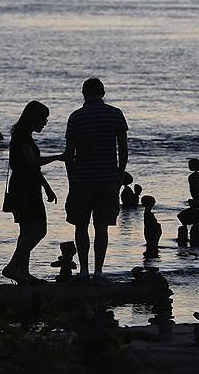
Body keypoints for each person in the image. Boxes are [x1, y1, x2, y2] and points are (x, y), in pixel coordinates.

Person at [64, 78, 128, 283]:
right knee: (102, 227)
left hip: (81, 179)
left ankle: (83, 271)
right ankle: (99, 272)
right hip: (108, 178)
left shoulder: (75, 117)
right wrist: (119, 175)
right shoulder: (115, 114)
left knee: (80, 226)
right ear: (103, 92)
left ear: (83, 93)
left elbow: (69, 154)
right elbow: (124, 150)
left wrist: (71, 179)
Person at [2, 101, 65, 285]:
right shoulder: (22, 137)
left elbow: (31, 167)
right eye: (43, 119)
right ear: (33, 118)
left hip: (24, 186)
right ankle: (13, 267)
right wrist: (57, 157)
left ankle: (23, 273)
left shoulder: (23, 136)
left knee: (26, 232)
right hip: (25, 189)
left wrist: (46, 186)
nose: (45, 123)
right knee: (39, 230)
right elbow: (32, 163)